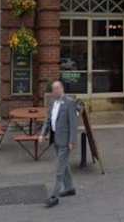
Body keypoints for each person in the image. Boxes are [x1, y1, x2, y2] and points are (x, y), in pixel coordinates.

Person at [39, 80, 78, 208]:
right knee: (64, 164)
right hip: (55, 139)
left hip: (65, 141)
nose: (54, 91)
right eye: (53, 89)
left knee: (60, 169)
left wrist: (72, 141)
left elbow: (73, 124)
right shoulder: (52, 102)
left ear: (61, 89)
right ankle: (70, 188)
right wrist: (42, 134)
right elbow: (48, 120)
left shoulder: (70, 103)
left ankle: (54, 196)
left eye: (56, 89)